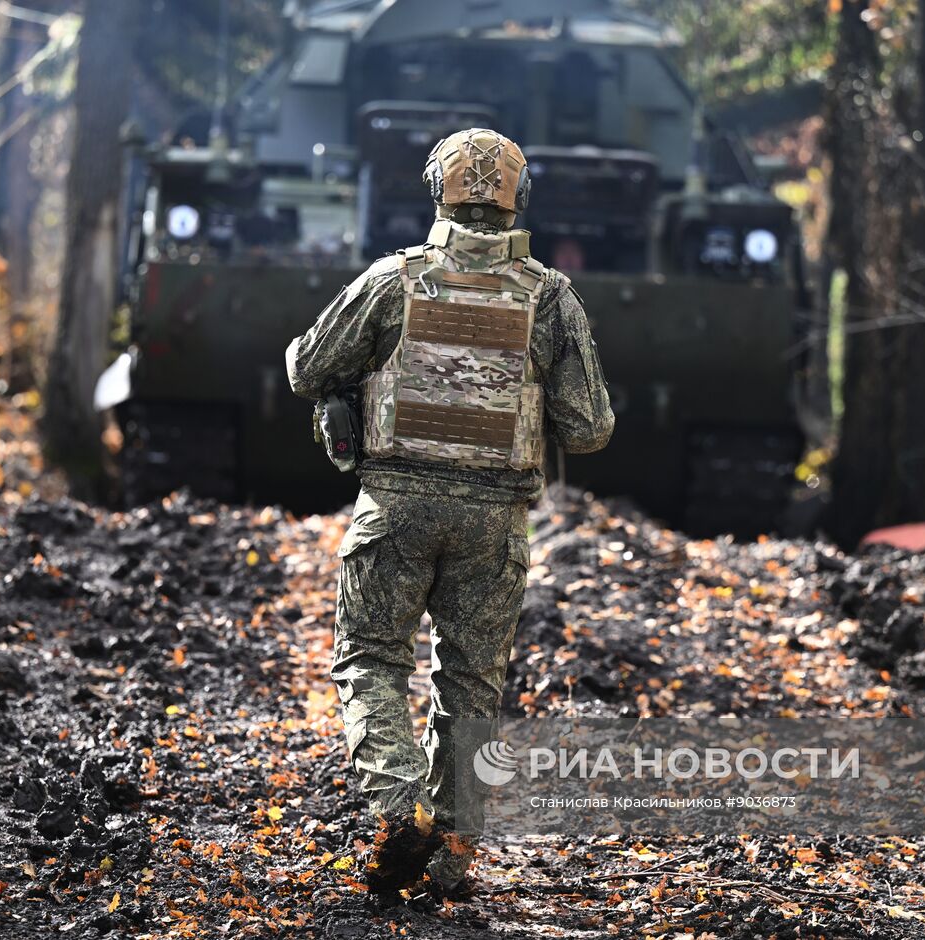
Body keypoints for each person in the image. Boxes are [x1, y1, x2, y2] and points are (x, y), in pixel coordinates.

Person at [285, 128, 614, 897]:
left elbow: (307, 368)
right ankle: (453, 851)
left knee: (370, 658)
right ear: (519, 199)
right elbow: (590, 429)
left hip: (394, 506)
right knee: (470, 683)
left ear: (436, 191)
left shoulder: (394, 280)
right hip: (494, 522)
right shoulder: (550, 297)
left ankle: (400, 806)